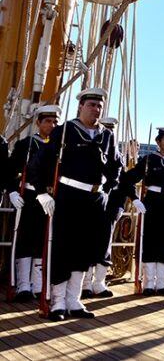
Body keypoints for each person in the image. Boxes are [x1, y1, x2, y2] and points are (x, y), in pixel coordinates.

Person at [28, 88, 123, 321]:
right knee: (64, 249)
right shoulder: (65, 131)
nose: (96, 109)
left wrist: (111, 184)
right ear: (80, 106)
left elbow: (116, 165)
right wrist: (42, 193)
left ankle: (74, 300)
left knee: (85, 250)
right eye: (91, 105)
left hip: (95, 199)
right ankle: (58, 301)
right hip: (69, 195)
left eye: (99, 106)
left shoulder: (106, 136)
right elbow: (39, 163)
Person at [115, 127, 164, 296]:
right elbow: (127, 179)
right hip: (152, 203)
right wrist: (135, 199)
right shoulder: (149, 160)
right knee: (150, 242)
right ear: (158, 141)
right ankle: (148, 283)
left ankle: (161, 283)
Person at [6, 105, 60, 302]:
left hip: (50, 199)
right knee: (25, 240)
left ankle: (38, 284)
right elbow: (10, 171)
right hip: (27, 197)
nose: (52, 125)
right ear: (38, 123)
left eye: (55, 122)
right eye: (47, 121)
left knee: (42, 240)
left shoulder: (58, 148)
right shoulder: (26, 145)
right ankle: (23, 285)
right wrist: (12, 191)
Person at [82, 116, 122, 299]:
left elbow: (122, 183)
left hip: (109, 206)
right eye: (106, 129)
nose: (109, 133)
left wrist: (120, 205)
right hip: (91, 202)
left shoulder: (117, 156)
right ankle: (85, 283)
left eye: (111, 129)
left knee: (104, 244)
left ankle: (99, 282)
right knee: (87, 241)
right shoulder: (91, 152)